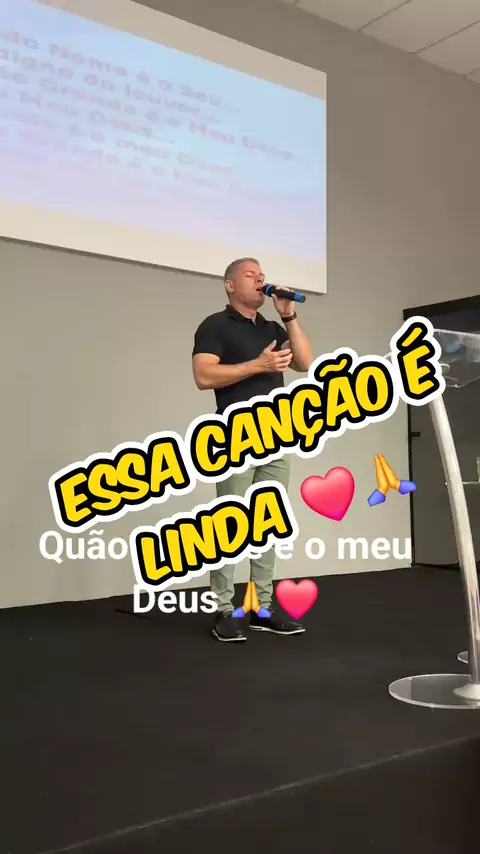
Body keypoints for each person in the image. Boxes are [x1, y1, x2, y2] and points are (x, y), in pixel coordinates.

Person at [192, 258, 314, 642]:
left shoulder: (273, 328)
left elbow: (306, 363)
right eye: (250, 275)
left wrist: (289, 315)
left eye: (262, 275)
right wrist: (257, 365)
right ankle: (222, 610)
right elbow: (203, 375)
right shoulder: (215, 325)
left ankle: (261, 608)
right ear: (229, 285)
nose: (261, 279)